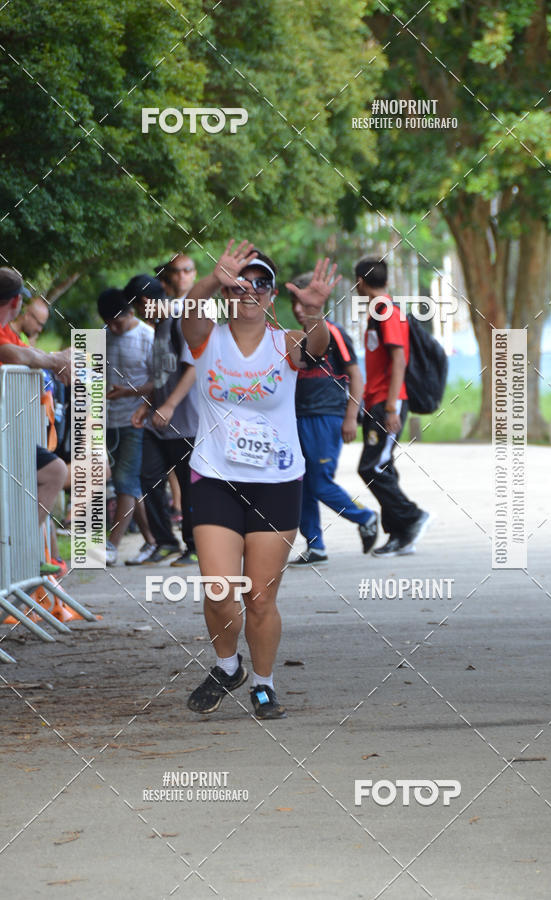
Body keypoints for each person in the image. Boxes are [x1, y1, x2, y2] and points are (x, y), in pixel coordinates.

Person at [182, 240, 339, 719]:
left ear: (272, 295)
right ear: (228, 292)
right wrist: (211, 280)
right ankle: (229, 667)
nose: (250, 291)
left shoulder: (285, 341)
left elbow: (317, 347)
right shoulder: (207, 337)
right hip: (214, 477)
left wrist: (314, 314)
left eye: (260, 284)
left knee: (260, 596)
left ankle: (265, 685)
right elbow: (187, 312)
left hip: (276, 481)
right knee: (218, 588)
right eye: (241, 283)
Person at [287, 272, 377, 566]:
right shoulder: (294, 338)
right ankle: (315, 545)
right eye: (294, 303)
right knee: (301, 483)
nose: (299, 309)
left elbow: (355, 375)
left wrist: (351, 417)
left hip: (327, 417)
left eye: (304, 302)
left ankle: (365, 516)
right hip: (298, 418)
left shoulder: (333, 333)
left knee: (321, 483)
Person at [354, 256, 430, 556]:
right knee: (383, 466)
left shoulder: (387, 312)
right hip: (378, 401)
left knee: (371, 467)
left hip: (388, 403)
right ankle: (401, 535)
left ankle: (412, 516)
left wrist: (389, 407)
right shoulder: (379, 312)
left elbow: (399, 359)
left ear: (360, 283)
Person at [0, 267, 70, 574]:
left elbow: (25, 352)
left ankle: (32, 555)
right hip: (8, 433)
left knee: (54, 471)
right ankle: (20, 555)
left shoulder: (9, 332)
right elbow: (13, 354)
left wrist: (56, 359)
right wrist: (56, 361)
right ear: (16, 303)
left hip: (12, 431)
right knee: (55, 472)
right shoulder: (6, 337)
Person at [127, 274, 199, 566]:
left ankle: (194, 546)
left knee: (189, 485)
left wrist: (168, 405)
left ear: (145, 302)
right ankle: (164, 541)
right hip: (159, 424)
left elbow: (192, 367)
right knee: (148, 476)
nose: (139, 315)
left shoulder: (180, 322)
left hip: (186, 423)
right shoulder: (158, 329)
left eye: (137, 308)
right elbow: (163, 377)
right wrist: (148, 405)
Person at [98, 287, 156, 566]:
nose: (112, 327)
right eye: (107, 322)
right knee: (129, 485)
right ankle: (152, 540)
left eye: (117, 322)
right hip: (109, 421)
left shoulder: (148, 336)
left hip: (136, 420)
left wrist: (128, 393)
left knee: (123, 481)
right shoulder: (104, 338)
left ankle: (111, 546)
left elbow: (161, 381)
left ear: (130, 313)